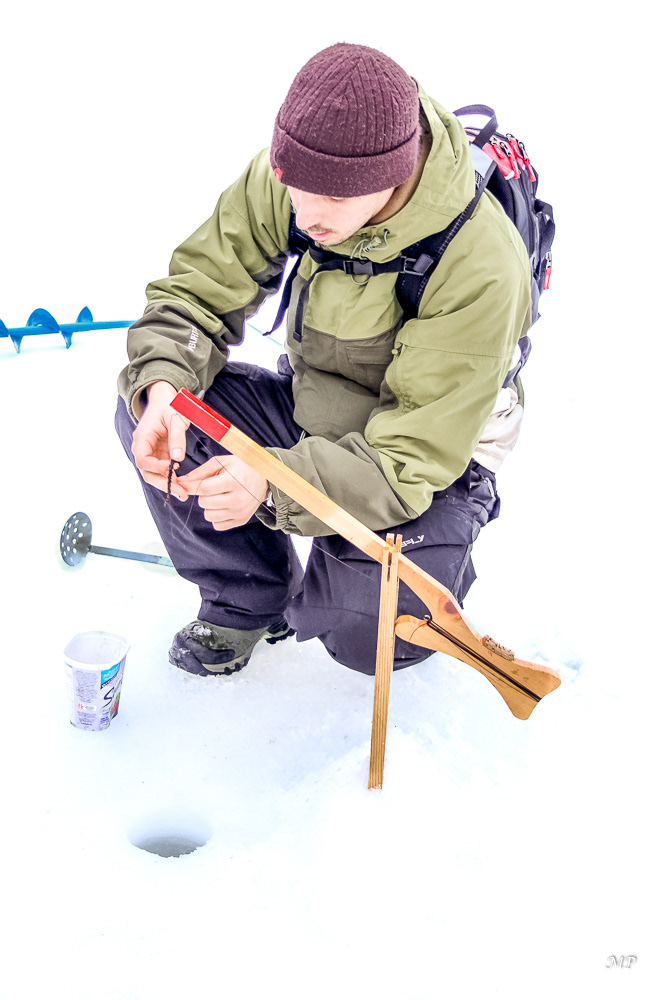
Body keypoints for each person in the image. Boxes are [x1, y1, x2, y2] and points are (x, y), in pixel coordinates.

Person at [115, 42, 531, 677]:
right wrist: (163, 389)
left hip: (431, 456)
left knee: (373, 628)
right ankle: (249, 596)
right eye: (294, 188)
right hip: (318, 405)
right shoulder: (301, 177)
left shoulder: (482, 265)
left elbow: (407, 457)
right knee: (162, 410)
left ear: (394, 174)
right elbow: (196, 292)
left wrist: (271, 482)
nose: (305, 215)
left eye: (331, 199)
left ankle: (372, 575)